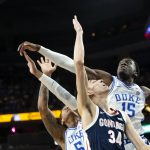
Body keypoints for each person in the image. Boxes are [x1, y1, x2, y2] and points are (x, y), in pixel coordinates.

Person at [17, 22, 150, 150]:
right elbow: (75, 67)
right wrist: (41, 53)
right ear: (89, 92)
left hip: (136, 140)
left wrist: (41, 75)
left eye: (128, 62)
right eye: (93, 81)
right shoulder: (91, 108)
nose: (124, 63)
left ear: (136, 72)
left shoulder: (133, 101)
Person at [72, 15, 150, 150]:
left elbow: (142, 147)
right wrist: (79, 33)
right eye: (94, 82)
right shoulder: (88, 110)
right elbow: (79, 63)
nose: (100, 81)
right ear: (88, 91)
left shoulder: (122, 116)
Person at [23, 53, 91, 150]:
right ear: (62, 120)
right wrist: (46, 76)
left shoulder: (89, 119)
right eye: (64, 108)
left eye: (68, 106)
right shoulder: (62, 136)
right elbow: (42, 109)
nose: (67, 106)